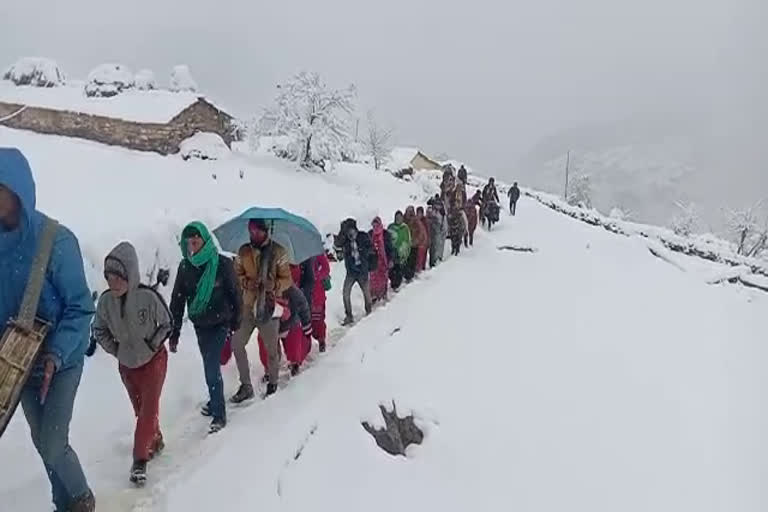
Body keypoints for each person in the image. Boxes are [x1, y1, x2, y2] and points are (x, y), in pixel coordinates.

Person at [0, 148, 95, 511]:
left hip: (62, 359)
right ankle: (62, 502)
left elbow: (81, 307)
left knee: (54, 441)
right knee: (42, 441)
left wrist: (57, 353)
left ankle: (83, 499)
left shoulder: (56, 241)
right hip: (18, 362)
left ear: (18, 190)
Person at [92, 242, 172, 484]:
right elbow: (99, 330)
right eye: (108, 277)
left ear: (129, 274)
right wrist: (116, 350)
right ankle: (154, 440)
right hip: (127, 365)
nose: (112, 282)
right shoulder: (106, 302)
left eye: (117, 277)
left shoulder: (148, 297)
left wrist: (151, 345)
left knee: (148, 410)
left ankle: (139, 461)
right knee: (141, 410)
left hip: (153, 361)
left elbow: (167, 324)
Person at [169, 222, 241, 433]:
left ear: (205, 240)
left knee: (211, 365)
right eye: (189, 242)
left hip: (221, 323)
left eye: (196, 240)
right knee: (210, 365)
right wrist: (174, 334)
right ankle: (215, 398)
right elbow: (177, 301)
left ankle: (219, 414)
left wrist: (236, 320)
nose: (193, 245)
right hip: (200, 324)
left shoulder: (222, 264)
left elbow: (235, 293)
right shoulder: (185, 267)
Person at [231, 218, 293, 399]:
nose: (253, 235)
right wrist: (247, 283)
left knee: (271, 349)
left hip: (269, 305)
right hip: (248, 306)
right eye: (251, 231)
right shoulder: (243, 251)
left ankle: (273, 383)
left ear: (266, 231)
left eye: (257, 232)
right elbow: (236, 274)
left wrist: (273, 285)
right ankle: (246, 385)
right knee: (237, 344)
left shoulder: (278, 252)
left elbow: (287, 279)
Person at [257, 283, 312, 377]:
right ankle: (269, 368)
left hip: (290, 324)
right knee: (264, 341)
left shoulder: (291, 289)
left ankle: (295, 362)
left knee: (295, 344)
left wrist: (307, 326)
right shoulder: (260, 291)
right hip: (269, 326)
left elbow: (303, 305)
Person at [336, 218, 374, 325]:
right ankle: (349, 315)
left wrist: (363, 252)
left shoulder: (363, 236)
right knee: (345, 293)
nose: (350, 233)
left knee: (366, 292)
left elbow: (371, 249)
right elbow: (337, 244)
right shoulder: (345, 241)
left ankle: (369, 311)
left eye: (350, 230)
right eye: (347, 231)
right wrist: (342, 233)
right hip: (351, 272)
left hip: (362, 270)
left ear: (355, 229)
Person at [368, 217, 395, 303]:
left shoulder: (385, 234)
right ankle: (373, 295)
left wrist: (390, 259)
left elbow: (390, 248)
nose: (375, 227)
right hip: (373, 261)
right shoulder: (370, 234)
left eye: (377, 225)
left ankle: (383, 294)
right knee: (373, 279)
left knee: (383, 278)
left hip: (383, 260)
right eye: (374, 225)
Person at [309, 253, 331, 352]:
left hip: (317, 292)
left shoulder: (316, 251)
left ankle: (321, 340)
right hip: (303, 292)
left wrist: (316, 276)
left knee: (318, 319)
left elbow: (326, 268)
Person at [387, 211, 411, 291]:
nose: (398, 219)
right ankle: (393, 284)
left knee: (398, 270)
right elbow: (387, 239)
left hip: (401, 252)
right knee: (391, 270)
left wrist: (406, 252)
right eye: (397, 217)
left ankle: (396, 286)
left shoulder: (405, 228)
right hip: (392, 252)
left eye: (400, 217)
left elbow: (408, 240)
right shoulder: (391, 227)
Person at [404, 206, 427, 279]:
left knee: (412, 261)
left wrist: (416, 241)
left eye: (411, 212)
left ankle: (411, 275)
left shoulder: (416, 221)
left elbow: (421, 232)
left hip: (414, 245)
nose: (409, 214)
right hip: (405, 245)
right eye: (408, 212)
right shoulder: (404, 221)